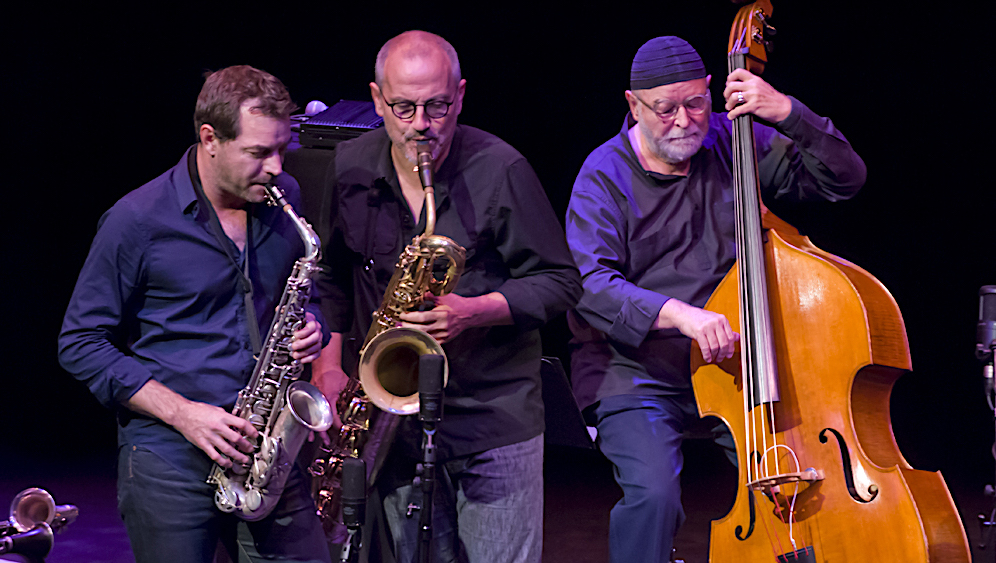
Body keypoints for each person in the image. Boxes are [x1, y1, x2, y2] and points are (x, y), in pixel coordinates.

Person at [565, 36, 866, 563]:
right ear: (634, 106)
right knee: (653, 494)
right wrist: (677, 314)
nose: (683, 120)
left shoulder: (735, 143)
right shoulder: (602, 175)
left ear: (711, 93)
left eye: (696, 103)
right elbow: (589, 283)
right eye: (664, 108)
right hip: (635, 372)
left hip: (734, 367)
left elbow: (844, 181)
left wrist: (790, 113)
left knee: (794, 481)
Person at [314, 30, 581, 563]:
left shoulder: (501, 169)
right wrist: (327, 369)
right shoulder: (350, 168)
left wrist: (473, 312)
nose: (421, 125)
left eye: (437, 106)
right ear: (375, 99)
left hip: (493, 417)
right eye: (404, 107)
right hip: (392, 420)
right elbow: (329, 279)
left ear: (460, 95)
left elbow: (560, 281)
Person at [58, 65, 332, 563]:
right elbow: (80, 343)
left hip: (265, 451)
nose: (275, 166)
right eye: (257, 152)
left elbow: (306, 293)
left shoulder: (283, 196)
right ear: (210, 138)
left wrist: (313, 326)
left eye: (280, 149)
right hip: (170, 462)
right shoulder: (136, 221)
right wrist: (185, 414)